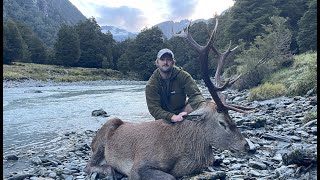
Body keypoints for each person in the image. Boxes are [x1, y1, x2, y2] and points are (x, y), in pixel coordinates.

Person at [145, 48, 206, 123]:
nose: (165, 62)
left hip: (182, 112)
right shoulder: (151, 84)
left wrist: (204, 106)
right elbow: (154, 109)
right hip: (163, 117)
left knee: (199, 105)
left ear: (173, 62)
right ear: (157, 62)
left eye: (169, 59)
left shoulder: (183, 76)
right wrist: (172, 117)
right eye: (162, 59)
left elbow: (195, 95)